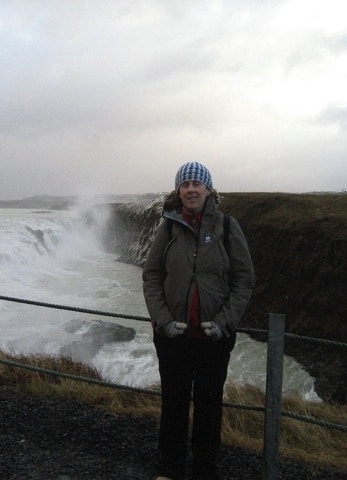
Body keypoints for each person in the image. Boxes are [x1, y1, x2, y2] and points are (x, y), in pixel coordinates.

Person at [142, 162, 256, 480]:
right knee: (173, 404)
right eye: (185, 184)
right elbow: (151, 276)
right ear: (178, 191)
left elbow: (244, 279)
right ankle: (170, 469)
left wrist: (224, 322)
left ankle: (205, 470)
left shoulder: (228, 227)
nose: (191, 189)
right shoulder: (167, 227)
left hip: (214, 339)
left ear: (209, 189)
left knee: (209, 407)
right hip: (172, 337)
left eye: (197, 183)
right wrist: (163, 321)